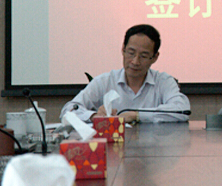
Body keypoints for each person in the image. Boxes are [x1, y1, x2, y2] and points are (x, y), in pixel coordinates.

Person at [60, 24, 190, 124]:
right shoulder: (105, 81)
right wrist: (94, 116)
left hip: (154, 147)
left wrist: (136, 115)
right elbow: (68, 110)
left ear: (155, 57)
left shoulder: (163, 81)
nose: (135, 61)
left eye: (144, 56)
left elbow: (182, 110)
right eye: (131, 53)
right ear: (123, 49)